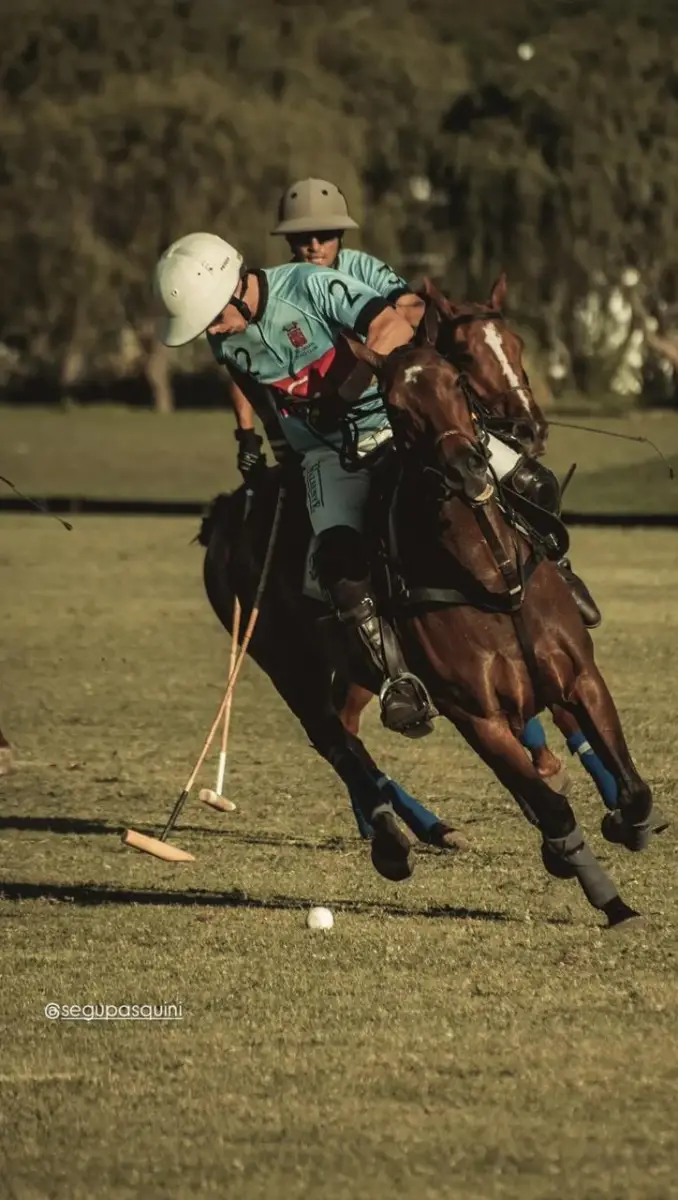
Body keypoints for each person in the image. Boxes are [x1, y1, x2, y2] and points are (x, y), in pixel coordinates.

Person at [153, 231, 437, 738]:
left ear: (237, 285)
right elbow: (251, 385)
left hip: (388, 424)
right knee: (337, 565)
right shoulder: (224, 335)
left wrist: (344, 395)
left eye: (216, 317)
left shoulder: (309, 285)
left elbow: (392, 327)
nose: (214, 331)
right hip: (325, 455)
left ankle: (557, 575)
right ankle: (401, 682)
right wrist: (273, 446)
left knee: (499, 475)